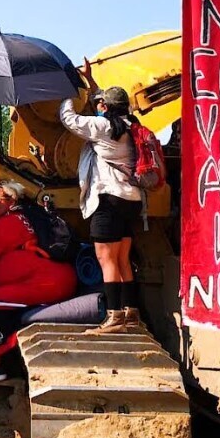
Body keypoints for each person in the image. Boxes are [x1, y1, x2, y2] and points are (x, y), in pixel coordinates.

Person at [0, 181, 77, 383]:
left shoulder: (9, 223)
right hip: (51, 280)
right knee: (3, 303)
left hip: (49, 282)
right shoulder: (24, 217)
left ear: (12, 201)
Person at [59, 86, 143, 335]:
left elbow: (69, 120)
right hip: (131, 200)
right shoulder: (132, 127)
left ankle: (114, 316)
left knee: (107, 259)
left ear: (105, 107)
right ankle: (131, 313)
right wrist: (91, 84)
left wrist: (68, 95)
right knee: (122, 259)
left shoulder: (103, 126)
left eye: (99, 103)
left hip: (107, 200)